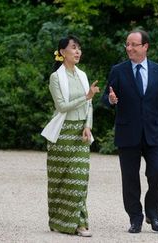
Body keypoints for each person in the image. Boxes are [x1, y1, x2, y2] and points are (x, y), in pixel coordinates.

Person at [101, 29, 158, 233]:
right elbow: (105, 97)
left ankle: (153, 215)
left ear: (145, 47)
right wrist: (110, 100)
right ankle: (135, 218)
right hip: (127, 133)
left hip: (153, 132)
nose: (129, 48)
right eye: (127, 44)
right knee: (130, 178)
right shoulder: (118, 70)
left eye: (134, 44)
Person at [41, 35, 100, 237]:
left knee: (80, 178)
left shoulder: (82, 75)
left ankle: (81, 223)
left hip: (80, 132)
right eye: (73, 48)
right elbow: (62, 107)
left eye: (79, 48)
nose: (78, 52)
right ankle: (60, 223)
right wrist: (86, 97)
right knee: (61, 180)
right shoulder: (55, 77)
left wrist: (88, 125)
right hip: (62, 134)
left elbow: (89, 104)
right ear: (62, 52)